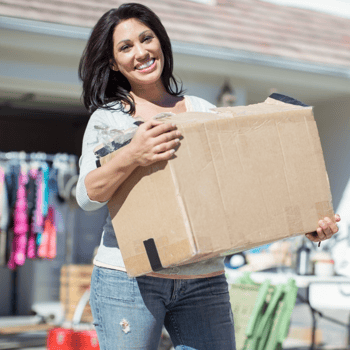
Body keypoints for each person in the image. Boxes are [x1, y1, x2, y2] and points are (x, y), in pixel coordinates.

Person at [76, 3, 341, 349]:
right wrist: (132, 154)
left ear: (161, 42)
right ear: (113, 62)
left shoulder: (202, 110)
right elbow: (86, 197)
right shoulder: (109, 120)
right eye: (126, 47)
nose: (141, 52)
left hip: (203, 279)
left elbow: (238, 190)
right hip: (129, 278)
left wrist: (305, 222)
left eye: (147, 39)